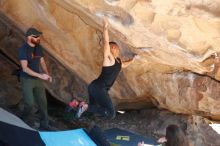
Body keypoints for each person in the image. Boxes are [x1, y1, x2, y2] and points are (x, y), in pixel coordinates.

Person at [76, 16, 136, 119]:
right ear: (113, 48)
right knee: (111, 113)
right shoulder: (109, 59)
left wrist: (133, 59)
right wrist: (105, 28)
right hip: (99, 88)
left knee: (94, 108)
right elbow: (106, 44)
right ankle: (84, 106)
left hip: (94, 86)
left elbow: (124, 65)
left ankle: (78, 105)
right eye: (117, 48)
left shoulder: (118, 62)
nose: (118, 50)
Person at [18, 27, 52, 130]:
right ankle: (21, 121)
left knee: (43, 102)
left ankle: (44, 125)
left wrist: (47, 74)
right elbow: (25, 69)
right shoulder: (23, 49)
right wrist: (41, 76)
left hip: (37, 78)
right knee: (29, 103)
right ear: (29, 37)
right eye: (36, 36)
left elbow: (42, 62)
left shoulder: (38, 47)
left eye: (39, 36)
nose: (38, 38)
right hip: (26, 79)